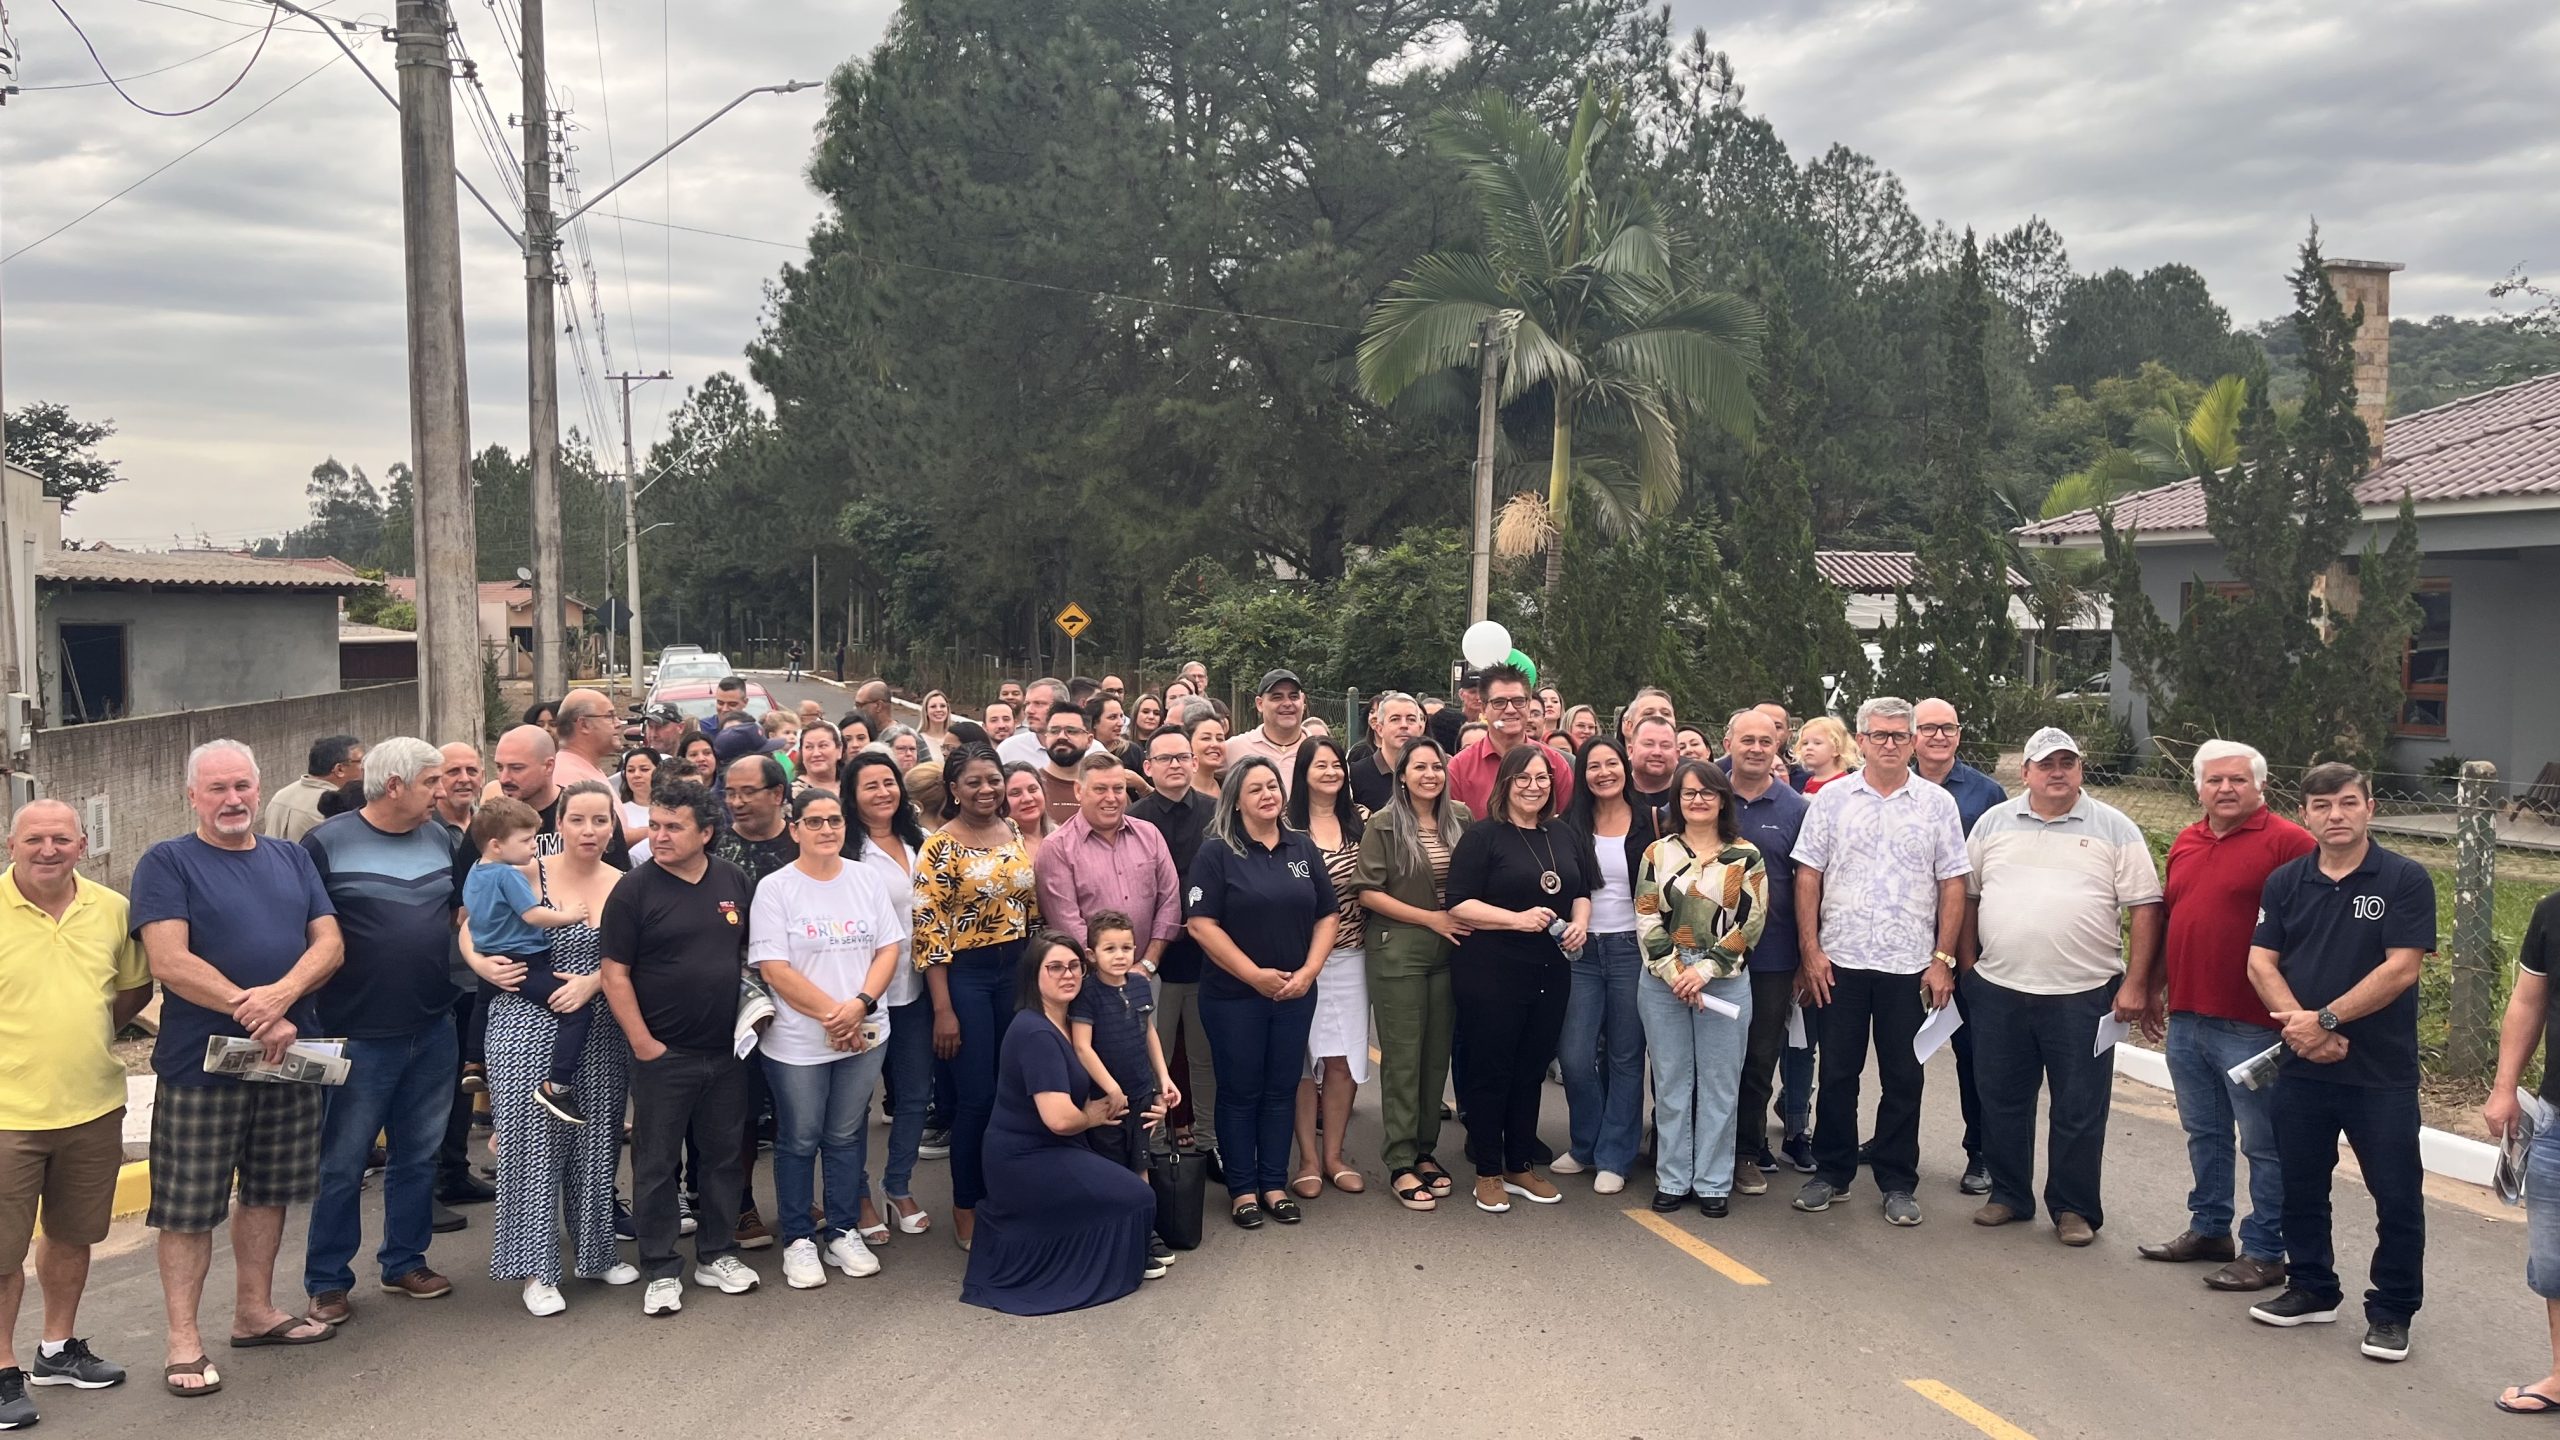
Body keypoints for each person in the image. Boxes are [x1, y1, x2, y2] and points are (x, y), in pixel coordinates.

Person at [133, 740, 344, 1395]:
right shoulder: (167, 862)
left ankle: (254, 1311)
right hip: (201, 1067)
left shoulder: (290, 856)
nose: (233, 800)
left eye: (242, 787)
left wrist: (281, 998)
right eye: (218, 788)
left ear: (259, 789)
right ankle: (182, 1341)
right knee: (188, 1208)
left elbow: (330, 943)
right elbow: (168, 960)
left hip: (290, 1058)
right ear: (192, 794)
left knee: (269, 1190)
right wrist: (253, 1009)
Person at [2243, 762, 2433, 1362]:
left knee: (2397, 1195)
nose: (2336, 815)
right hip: (2303, 1067)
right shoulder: (2286, 881)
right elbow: (2260, 963)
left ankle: (2392, 1311)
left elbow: (2402, 967)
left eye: (2348, 803)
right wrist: (2303, 1031)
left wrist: (2325, 1020)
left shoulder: (2403, 879)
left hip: (2380, 1073)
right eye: (2322, 806)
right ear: (2306, 814)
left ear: (2370, 807)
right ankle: (2312, 1288)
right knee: (2301, 1184)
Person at [1959, 728, 2162, 1247]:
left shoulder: (2116, 828)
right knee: (2001, 1099)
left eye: (2067, 763)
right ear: (2024, 772)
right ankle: (2008, 1195)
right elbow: (1970, 896)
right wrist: (1967, 965)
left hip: (2085, 993)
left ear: (2080, 769)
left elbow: (2145, 907)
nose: (2057, 772)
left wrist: (2136, 983)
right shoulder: (1992, 823)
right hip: (2000, 987)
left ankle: (2073, 1208)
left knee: (2079, 1105)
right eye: (2045, 764)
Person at [296, 738, 465, 1325]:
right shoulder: (325, 843)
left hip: (431, 1026)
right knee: (341, 1164)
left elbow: (457, 917)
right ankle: (327, 1280)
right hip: (355, 1034)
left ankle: (404, 1262)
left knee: (417, 1156)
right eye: (431, 781)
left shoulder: (443, 838)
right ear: (394, 785)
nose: (441, 791)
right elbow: (305, 932)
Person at [2135, 739, 2315, 1290]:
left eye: (2238, 779)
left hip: (2254, 1023)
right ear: (2198, 787)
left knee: (2263, 1141)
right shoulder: (2187, 841)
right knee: (2204, 1131)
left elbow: (2311, 930)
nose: (2226, 789)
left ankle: (2266, 1249)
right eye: (2215, 780)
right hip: (2189, 1017)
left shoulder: (2290, 843)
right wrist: (2153, 987)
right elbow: (2174, 920)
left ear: (2261, 785)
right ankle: (2210, 1227)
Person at [1791, 697, 1968, 1227]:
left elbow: (1953, 883)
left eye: (1899, 735)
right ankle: (1833, 1172)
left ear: (1913, 742)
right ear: (1861, 741)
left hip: (1909, 965)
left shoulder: (1937, 805)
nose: (1889, 744)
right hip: (1839, 961)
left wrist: (1943, 959)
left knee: (1904, 1076)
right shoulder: (1832, 799)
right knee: (1839, 1072)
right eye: (1879, 735)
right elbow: (1808, 877)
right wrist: (1810, 951)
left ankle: (1896, 1180)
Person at [0, 802, 150, 1423]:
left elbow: (135, 989)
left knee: (72, 1235)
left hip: (92, 1106)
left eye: (61, 838)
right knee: (2, 1252)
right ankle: (3, 1369)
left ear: (83, 844)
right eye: (34, 838)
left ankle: (56, 1349)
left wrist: (83, 1036)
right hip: (7, 1114)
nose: (48, 849)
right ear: (12, 845)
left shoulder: (111, 909)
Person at [598, 777, 764, 1316]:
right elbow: (614, 975)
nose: (660, 835)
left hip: (726, 1052)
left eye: (674, 827)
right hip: (662, 1056)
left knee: (720, 1160)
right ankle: (661, 1266)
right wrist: (644, 1044)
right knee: (656, 1163)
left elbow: (745, 959)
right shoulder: (633, 889)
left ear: (706, 833)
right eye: (656, 824)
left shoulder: (734, 880)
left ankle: (717, 1255)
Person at [469, 780, 633, 1317]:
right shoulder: (520, 870)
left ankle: (597, 1251)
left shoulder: (627, 884)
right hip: (523, 1020)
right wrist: (478, 962)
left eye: (601, 820)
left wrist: (592, 983)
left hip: (601, 1023)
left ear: (614, 826)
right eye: (578, 819)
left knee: (597, 1137)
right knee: (531, 1145)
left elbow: (640, 958)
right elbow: (469, 925)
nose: (590, 830)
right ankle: (536, 1268)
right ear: (557, 823)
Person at [750, 787, 907, 1290]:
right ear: (794, 829)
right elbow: (774, 968)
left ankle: (842, 1232)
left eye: (834, 821)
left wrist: (858, 1007)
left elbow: (888, 949)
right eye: (813, 822)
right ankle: (798, 1238)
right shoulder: (776, 888)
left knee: (845, 1135)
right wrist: (832, 1017)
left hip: (864, 1032)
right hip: (799, 1042)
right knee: (798, 1138)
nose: (825, 830)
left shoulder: (864, 879)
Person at [963, 935, 1160, 1311]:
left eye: (1073, 966)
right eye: (1054, 967)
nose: (1067, 975)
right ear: (1033, 976)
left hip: (1058, 1147)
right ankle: (1067, 1268)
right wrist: (1092, 1115)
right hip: (1026, 1159)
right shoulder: (1036, 1033)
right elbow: (1058, 1119)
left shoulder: (1069, 1023)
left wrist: (1155, 1099)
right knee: (1138, 1197)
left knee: (1133, 1190)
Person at [1187, 756, 1337, 1229]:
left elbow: (1327, 914)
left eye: (1272, 785)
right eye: (1255, 789)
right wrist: (1253, 975)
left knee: (1280, 1089)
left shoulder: (1302, 847)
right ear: (1236, 800)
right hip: (1235, 996)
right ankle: (1242, 1190)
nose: (1268, 795)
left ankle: (1274, 1183)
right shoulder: (1216, 853)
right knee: (1240, 1091)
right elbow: (1201, 924)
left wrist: (1310, 971)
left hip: (1296, 992)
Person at [1445, 744, 1590, 1214]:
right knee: (1492, 1071)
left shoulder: (1562, 834)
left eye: (1542, 778)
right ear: (1505, 784)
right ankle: (1487, 1170)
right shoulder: (1484, 836)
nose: (1534, 786)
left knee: (1530, 1072)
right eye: (1523, 778)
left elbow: (1581, 890)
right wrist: (1516, 919)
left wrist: (1581, 923)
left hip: (1550, 970)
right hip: (1492, 970)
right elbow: (1459, 903)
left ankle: (1519, 1164)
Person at [915, 743, 1041, 1251]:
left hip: (1017, 972)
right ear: (953, 789)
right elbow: (930, 931)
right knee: (977, 1099)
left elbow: (1029, 909)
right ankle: (967, 1204)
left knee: (1016, 1093)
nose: (986, 790)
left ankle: (1008, 1195)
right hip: (965, 976)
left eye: (993, 780)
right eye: (973, 782)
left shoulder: (1010, 831)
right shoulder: (939, 847)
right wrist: (943, 1009)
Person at [1634, 760, 1768, 1217]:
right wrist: (1675, 973)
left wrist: (1705, 971)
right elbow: (1647, 914)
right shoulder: (1658, 852)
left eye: (1707, 792)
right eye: (1688, 793)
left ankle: (1712, 1182)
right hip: (1663, 981)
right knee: (1672, 1083)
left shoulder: (1745, 856)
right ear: (1677, 799)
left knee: (1718, 1085)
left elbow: (1751, 922)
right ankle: (1673, 1178)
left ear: (1722, 799)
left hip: (1723, 982)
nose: (1697, 800)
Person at [1353, 737, 1470, 1211]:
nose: (1430, 775)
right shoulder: (1384, 823)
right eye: (1419, 767)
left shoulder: (1460, 818)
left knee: (1434, 1056)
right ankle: (1399, 1159)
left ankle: (1424, 1151)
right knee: (1402, 1059)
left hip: (1451, 950)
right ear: (1402, 775)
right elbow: (1367, 892)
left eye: (1436, 766)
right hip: (1399, 949)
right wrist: (1430, 918)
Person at [1912, 695, 2011, 1195]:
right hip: (1902, 943)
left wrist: (1960, 955)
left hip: (1967, 946)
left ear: (1959, 735)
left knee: (1974, 1055)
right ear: (1912, 736)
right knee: (1898, 1053)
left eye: (1947, 728)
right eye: (1928, 728)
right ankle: (1892, 1141)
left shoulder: (1986, 794)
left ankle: (1982, 1154)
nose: (1938, 736)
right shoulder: (1894, 786)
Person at [1553, 733, 1655, 1194]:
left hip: (1633, 948)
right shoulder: (1567, 825)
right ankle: (1585, 1143)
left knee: (1625, 1056)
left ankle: (1616, 1154)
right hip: (1581, 950)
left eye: (1611, 763)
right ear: (1582, 773)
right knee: (1574, 1057)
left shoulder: (1652, 822)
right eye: (1593, 766)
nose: (1604, 773)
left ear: (1625, 766)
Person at [841, 754, 933, 1241]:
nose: (882, 792)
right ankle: (856, 1196)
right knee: (856, 1104)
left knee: (915, 1096)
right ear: (851, 797)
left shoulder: (918, 841)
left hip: (915, 989)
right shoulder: (847, 851)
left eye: (888, 783)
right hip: (865, 994)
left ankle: (897, 1186)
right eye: (869, 786)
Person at [462, 798, 596, 1124]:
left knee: (483, 1002)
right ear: (496, 844)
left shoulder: (475, 871)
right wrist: (569, 915)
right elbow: (533, 915)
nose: (533, 846)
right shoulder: (509, 875)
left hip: (489, 958)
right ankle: (557, 1086)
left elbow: (469, 918)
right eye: (525, 840)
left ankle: (473, 1063)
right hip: (524, 961)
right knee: (576, 1010)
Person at [1724, 709, 1816, 1175]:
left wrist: (1806, 954)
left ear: (1779, 746)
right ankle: (1684, 1144)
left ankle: (1745, 1151)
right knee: (1704, 1057)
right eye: (1748, 740)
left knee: (1759, 1058)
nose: (1757, 748)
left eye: (1766, 741)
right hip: (1706, 955)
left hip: (1772, 957)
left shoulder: (1797, 808)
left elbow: (1809, 884)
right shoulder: (1706, 794)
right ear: (1729, 742)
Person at [1067, 912, 1178, 1276]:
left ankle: (1144, 1231)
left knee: (1141, 1164)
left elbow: (1148, 1033)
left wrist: (1163, 1077)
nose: (1120, 955)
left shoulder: (1139, 984)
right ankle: (1121, 1239)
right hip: (1108, 1101)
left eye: (1127, 947)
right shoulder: (1087, 993)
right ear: (1091, 954)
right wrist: (1112, 1087)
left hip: (1142, 1095)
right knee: (1114, 1170)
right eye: (1110, 948)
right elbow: (1082, 1046)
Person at [1132, 725, 1221, 1164]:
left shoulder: (1217, 812)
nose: (1175, 765)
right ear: (1148, 766)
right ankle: (1151, 1143)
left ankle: (1208, 1140)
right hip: (1154, 957)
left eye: (1182, 757)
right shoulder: (1134, 817)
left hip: (1208, 956)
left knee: (1205, 1056)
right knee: (1157, 1056)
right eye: (1165, 758)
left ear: (1195, 761)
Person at [1287, 736, 1370, 1199]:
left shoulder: (1363, 825)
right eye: (1320, 765)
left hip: (1351, 957)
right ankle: (1308, 1160)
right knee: (1303, 1062)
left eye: (1337, 764)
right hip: (1298, 961)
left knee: (1341, 1061)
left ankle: (1336, 1155)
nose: (1331, 772)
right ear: (1303, 772)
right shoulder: (1283, 827)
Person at [2489, 883, 2560, 1413]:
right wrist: (2504, 1087)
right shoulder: (2552, 910)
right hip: (2558, 1115)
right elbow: (2527, 1000)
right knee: (2554, 1261)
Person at [1033, 753, 1181, 983]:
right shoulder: (1057, 848)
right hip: (1089, 981)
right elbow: (1066, 922)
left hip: (1147, 976)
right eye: (1100, 789)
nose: (1111, 798)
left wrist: (1147, 964)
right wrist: (1111, 970)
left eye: (1118, 789)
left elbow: (1170, 901)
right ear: (1078, 791)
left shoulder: (1149, 834)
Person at [492, 724, 634, 868]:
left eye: (516, 768)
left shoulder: (589, 815)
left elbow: (619, 881)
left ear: (548, 766)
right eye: (499, 767)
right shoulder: (490, 821)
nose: (504, 778)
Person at [1447, 664, 1575, 820]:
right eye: (1499, 702)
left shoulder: (1555, 765)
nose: (1510, 709)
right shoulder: (1459, 768)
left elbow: (1567, 827)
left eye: (1518, 701)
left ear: (1528, 705)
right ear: (1483, 708)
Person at [262, 734, 363, 842]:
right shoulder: (335, 807)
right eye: (361, 761)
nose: (365, 766)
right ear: (340, 769)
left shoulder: (281, 794)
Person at [1227, 670, 1311, 787]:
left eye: (1294, 696)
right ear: (1260, 704)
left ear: (1302, 701)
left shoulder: (1321, 751)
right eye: (1277, 697)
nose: (1287, 703)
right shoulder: (1234, 748)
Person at [1349, 691, 1423, 814]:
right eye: (1395, 719)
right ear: (1379, 729)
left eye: (1411, 719)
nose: (1404, 725)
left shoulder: (1432, 773)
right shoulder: (1357, 774)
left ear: (1420, 728)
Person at [1034, 705, 1095, 829]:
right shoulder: (1031, 787)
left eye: (1071, 731)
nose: (1061, 737)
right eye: (1054, 731)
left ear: (1089, 741)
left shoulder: (1105, 787)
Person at [552, 689, 621, 790]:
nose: (618, 723)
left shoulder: (585, 768)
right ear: (584, 725)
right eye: (609, 716)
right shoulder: (571, 778)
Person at [998, 678, 1066, 767]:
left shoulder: (1086, 749)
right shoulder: (1009, 749)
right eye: (1027, 704)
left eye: (1039, 703)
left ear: (1062, 707)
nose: (1028, 710)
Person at [1625, 712, 1682, 814]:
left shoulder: (1687, 797)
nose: (1657, 752)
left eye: (1665, 746)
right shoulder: (1616, 795)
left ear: (1677, 754)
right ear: (1631, 751)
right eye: (1648, 744)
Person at [1003, 763, 1053, 865]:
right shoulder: (998, 846)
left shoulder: (1063, 837)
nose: (1027, 798)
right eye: (1015, 793)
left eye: (1033, 789)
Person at [617, 747, 661, 860]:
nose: (636, 775)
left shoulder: (672, 809)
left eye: (644, 769)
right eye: (631, 770)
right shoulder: (618, 811)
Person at [1795, 716, 1857, 794]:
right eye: (1805, 743)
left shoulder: (1844, 783)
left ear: (1836, 749)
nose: (1809, 747)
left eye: (1817, 743)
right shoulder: (1808, 782)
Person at [435, 742, 483, 832]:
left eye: (471, 771)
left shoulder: (490, 825)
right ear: (435, 777)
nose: (464, 779)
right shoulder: (420, 828)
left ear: (483, 776)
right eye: (454, 771)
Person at [1185, 708, 1230, 797]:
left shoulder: (1230, 789)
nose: (1215, 744)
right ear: (1188, 743)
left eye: (1220, 739)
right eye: (1206, 738)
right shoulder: (1177, 791)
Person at [918, 690, 954, 757]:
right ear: (926, 711)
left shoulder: (956, 739)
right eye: (933, 706)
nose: (938, 709)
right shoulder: (917, 740)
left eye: (942, 706)